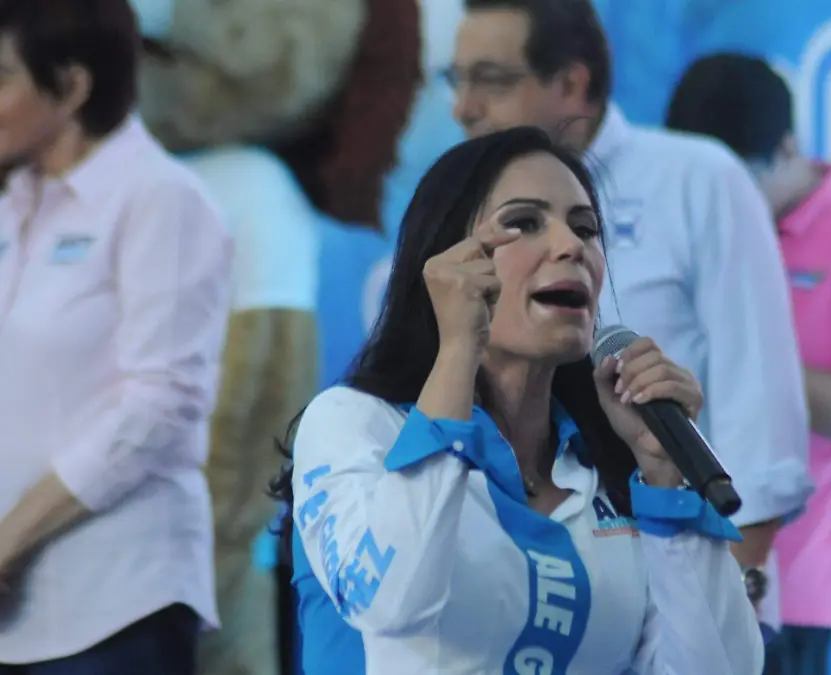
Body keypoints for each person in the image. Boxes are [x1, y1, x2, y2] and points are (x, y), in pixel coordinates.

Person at [286, 125, 763, 674]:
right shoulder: (354, 424)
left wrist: (664, 479)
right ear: (448, 264)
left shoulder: (607, 470)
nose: (571, 247)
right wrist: (459, 348)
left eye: (585, 229)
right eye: (524, 223)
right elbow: (395, 602)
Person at [447, 0, 812, 627]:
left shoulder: (695, 178)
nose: (464, 107)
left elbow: (760, 406)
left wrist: (735, 595)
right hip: (524, 600)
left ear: (571, 84)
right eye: (455, 80)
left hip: (682, 594)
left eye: (492, 80)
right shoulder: (457, 206)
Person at [0, 0, 231, 673]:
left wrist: (11, 537)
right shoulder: (15, 201)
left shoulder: (161, 197)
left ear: (72, 86)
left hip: (115, 603)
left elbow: (164, 401)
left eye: (1, 77)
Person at [665, 53, 831, 675]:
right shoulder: (680, 219)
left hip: (792, 581)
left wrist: (746, 355)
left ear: (787, 149)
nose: (718, 204)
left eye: (735, 184)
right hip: (671, 558)